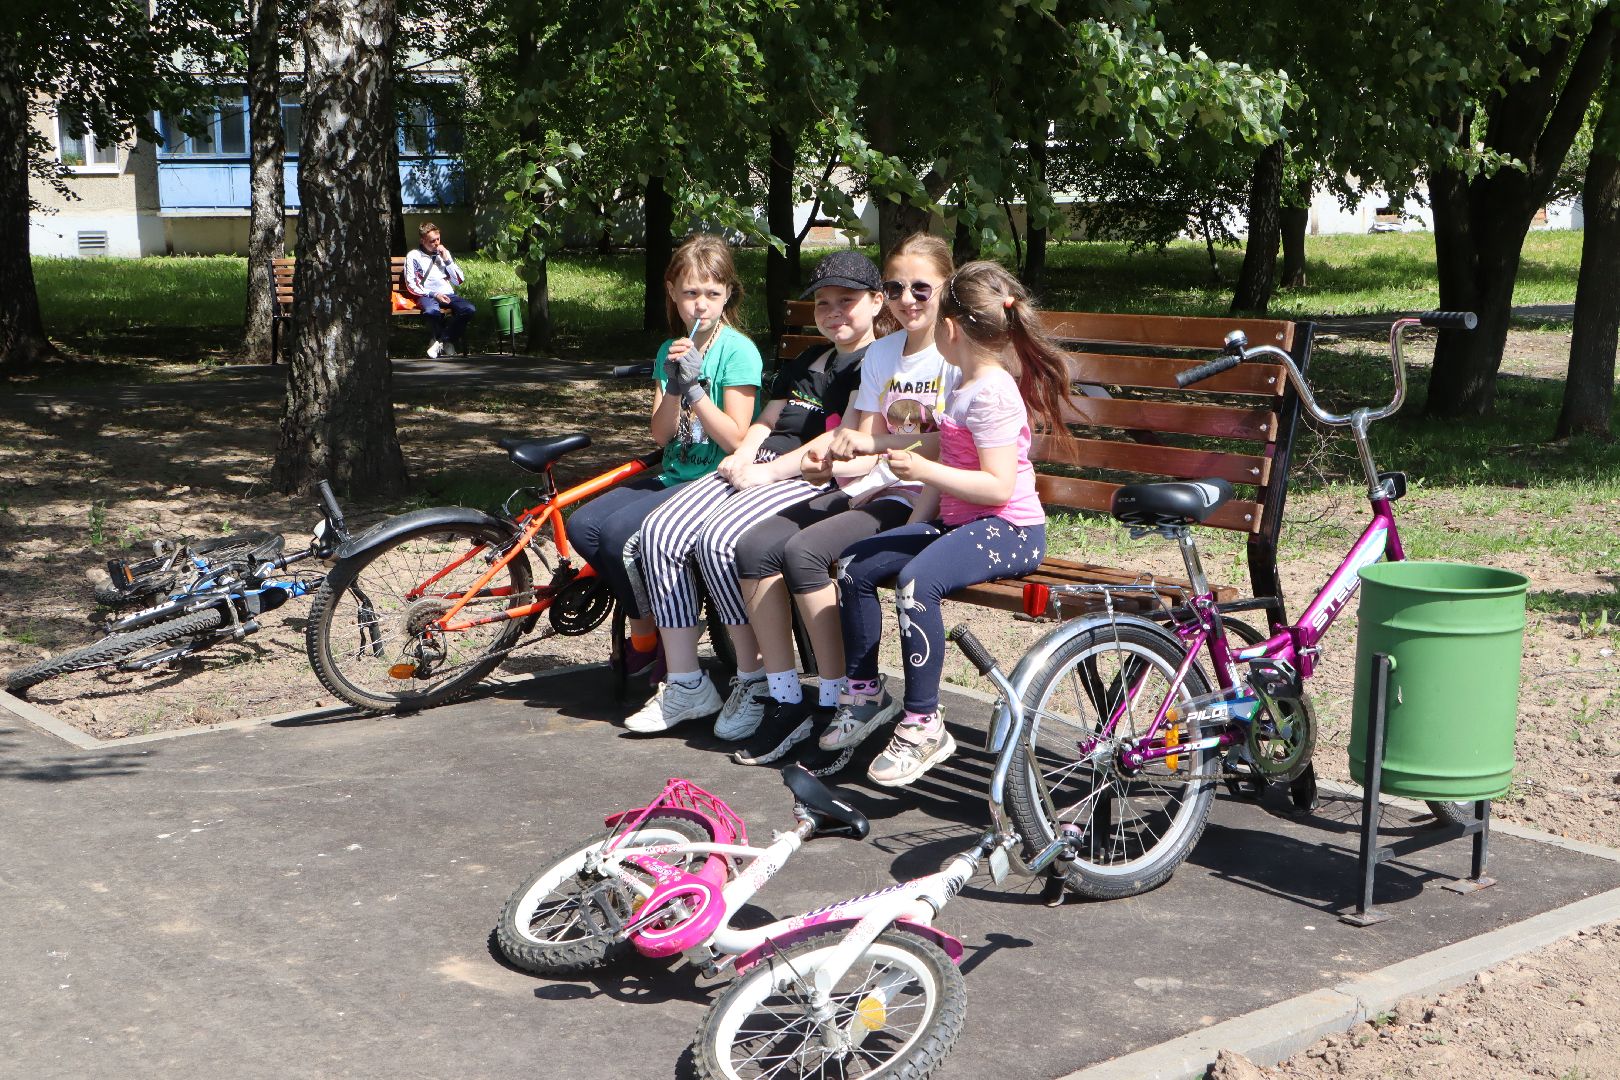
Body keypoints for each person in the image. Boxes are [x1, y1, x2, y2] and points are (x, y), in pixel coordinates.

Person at [820, 259, 1078, 787]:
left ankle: (923, 724)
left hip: (1011, 530)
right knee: (854, 567)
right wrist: (887, 458)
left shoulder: (993, 394)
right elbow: (941, 445)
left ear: (952, 328)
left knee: (917, 584)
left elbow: (998, 487)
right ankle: (865, 693)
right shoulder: (961, 381)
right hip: (962, 525)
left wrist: (923, 470)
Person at [725, 233, 960, 771]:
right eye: (896, 287)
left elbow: (948, 448)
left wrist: (869, 463)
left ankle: (846, 697)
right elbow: (864, 442)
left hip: (928, 499)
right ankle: (788, 698)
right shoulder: (881, 352)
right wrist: (827, 461)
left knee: (805, 552)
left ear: (947, 289)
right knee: (757, 545)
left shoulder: (955, 357)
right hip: (877, 488)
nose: (908, 299)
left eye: (921, 288)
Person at [624, 251, 881, 736]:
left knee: (719, 539)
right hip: (761, 463)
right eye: (823, 303)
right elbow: (767, 419)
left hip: (805, 475)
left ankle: (754, 678)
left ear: (875, 302)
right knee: (659, 529)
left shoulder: (874, 362)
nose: (833, 312)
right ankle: (685, 682)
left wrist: (765, 474)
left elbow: (838, 439)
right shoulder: (810, 358)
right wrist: (746, 456)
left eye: (846, 301)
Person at [565, 235, 761, 698]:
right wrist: (673, 387)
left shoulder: (738, 351)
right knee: (584, 526)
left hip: (716, 480)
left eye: (712, 294)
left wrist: (696, 390)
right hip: (675, 472)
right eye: (691, 293)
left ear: (728, 295)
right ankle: (649, 627)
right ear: (672, 293)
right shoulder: (668, 350)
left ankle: (657, 642)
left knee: (618, 537)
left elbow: (737, 439)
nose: (701, 305)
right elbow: (661, 435)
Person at [403, 221, 476, 358]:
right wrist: (434, 294)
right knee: (432, 311)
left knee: (469, 309)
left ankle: (442, 340)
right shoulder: (414, 256)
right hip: (427, 294)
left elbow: (459, 280)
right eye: (432, 241)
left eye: (438, 239)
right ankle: (446, 342)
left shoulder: (444, 254)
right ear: (422, 240)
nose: (436, 243)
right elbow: (411, 284)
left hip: (448, 294)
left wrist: (447, 260)